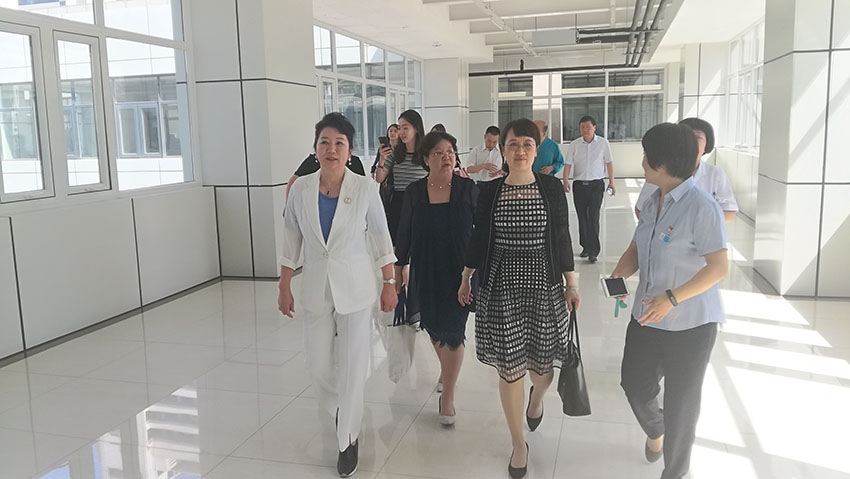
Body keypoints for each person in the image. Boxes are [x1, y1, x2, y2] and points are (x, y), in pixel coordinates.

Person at [459, 118, 581, 479]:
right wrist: (466, 277)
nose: (520, 151)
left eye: (528, 144)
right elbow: (479, 237)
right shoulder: (491, 191)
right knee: (510, 369)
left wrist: (572, 284)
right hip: (502, 288)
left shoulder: (551, 189)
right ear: (503, 149)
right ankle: (518, 444)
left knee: (542, 370)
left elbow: (562, 236)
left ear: (537, 149)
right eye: (513, 144)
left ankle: (537, 398)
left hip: (544, 285)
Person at [277, 112, 398, 478]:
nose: (331, 149)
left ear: (350, 151)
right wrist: (284, 284)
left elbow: (380, 236)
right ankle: (342, 411)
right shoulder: (301, 189)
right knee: (317, 364)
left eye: (339, 143)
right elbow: (291, 237)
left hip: (355, 287)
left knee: (353, 364)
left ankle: (348, 438)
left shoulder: (364, 188)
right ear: (315, 149)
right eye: (325, 143)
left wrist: (389, 282)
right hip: (316, 286)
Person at [610, 122, 728, 479]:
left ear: (665, 162)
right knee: (634, 385)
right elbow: (636, 249)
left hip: (691, 325)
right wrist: (617, 278)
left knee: (681, 407)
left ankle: (675, 472)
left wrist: (672, 298)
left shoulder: (702, 207)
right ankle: (655, 427)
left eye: (647, 156)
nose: (642, 162)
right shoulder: (651, 200)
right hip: (647, 316)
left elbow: (719, 267)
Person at [395, 131, 477, 426]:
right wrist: (397, 272)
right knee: (432, 325)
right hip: (425, 268)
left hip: (460, 272)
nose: (446, 157)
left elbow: (482, 232)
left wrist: (477, 269)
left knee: (454, 332)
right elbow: (404, 233)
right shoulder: (415, 192)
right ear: (426, 159)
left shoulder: (468, 189)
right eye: (439, 153)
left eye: (451, 152)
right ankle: (447, 368)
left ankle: (448, 398)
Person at [635, 118, 738, 223]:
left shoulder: (715, 174)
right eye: (687, 138)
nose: (691, 143)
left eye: (697, 137)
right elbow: (641, 209)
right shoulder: (661, 172)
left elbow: (730, 211)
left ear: (707, 144)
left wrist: (695, 223)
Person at [562, 115, 615, 264]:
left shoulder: (603, 143)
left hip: (596, 186)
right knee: (582, 217)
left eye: (588, 127)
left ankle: (593, 251)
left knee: (593, 217)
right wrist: (565, 181)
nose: (585, 130)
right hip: (579, 185)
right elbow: (568, 164)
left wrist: (612, 182)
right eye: (582, 127)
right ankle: (585, 246)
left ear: (594, 128)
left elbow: (609, 163)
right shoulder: (575, 144)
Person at [375, 110, 429, 243]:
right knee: (398, 243)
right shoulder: (394, 152)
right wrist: (382, 160)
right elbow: (379, 178)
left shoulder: (426, 152)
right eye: (399, 128)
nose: (401, 132)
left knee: (420, 241)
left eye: (405, 128)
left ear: (416, 128)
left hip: (421, 200)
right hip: (400, 201)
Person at [286, 152, 364, 200]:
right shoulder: (314, 160)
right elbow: (294, 179)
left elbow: (363, 188)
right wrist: (288, 205)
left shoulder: (354, 162)